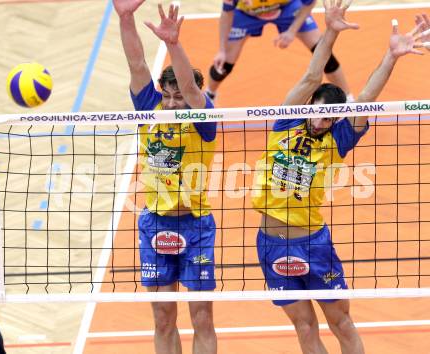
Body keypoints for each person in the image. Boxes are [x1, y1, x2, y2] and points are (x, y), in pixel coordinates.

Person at [252, 0, 425, 353]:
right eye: (317, 114)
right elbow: (312, 75)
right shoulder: (286, 121)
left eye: (328, 119)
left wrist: (391, 57)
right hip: (269, 245)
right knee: (304, 326)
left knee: (341, 322)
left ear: (335, 121)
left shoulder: (337, 140)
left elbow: (366, 98)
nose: (319, 123)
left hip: (313, 244)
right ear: (309, 107)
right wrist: (329, 30)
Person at [113, 1, 217, 353]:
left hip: (196, 225)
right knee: (162, 317)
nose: (173, 104)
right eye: (168, 95)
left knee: (201, 317)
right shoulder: (148, 107)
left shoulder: (203, 118)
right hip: (154, 224)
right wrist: (125, 18)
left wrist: (173, 44)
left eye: (180, 98)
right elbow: (137, 63)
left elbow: (190, 88)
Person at [206, 0, 353, 103]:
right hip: (247, 14)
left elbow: (309, 3)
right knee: (224, 64)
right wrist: (221, 49)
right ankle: (210, 94)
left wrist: (291, 31)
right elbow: (226, 14)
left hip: (287, 10)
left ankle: (348, 99)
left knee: (325, 55)